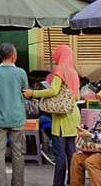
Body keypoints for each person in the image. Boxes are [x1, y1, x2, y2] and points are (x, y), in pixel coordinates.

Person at [24, 44, 80, 186]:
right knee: (71, 154)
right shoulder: (73, 71)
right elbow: (77, 95)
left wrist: (34, 93)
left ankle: (58, 183)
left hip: (62, 117)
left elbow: (54, 90)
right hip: (73, 114)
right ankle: (73, 181)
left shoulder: (61, 68)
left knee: (60, 155)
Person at [0, 43, 28, 186]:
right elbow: (25, 91)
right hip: (17, 118)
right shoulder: (21, 73)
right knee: (18, 154)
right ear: (13, 57)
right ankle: (17, 183)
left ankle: (2, 183)